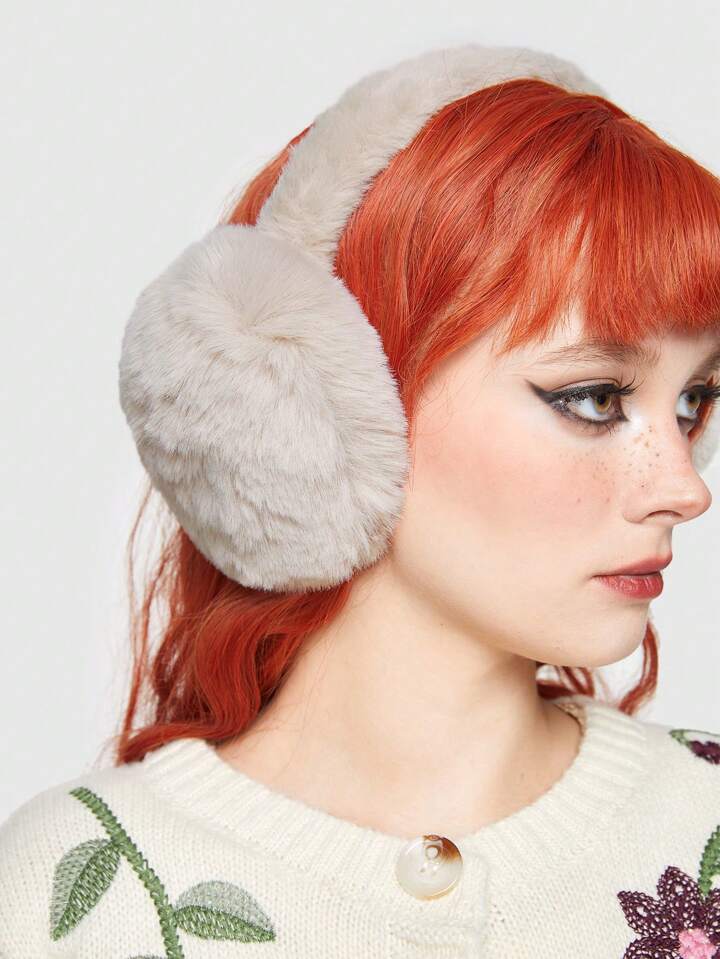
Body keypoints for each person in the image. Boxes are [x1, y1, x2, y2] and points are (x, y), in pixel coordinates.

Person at [2, 43, 720, 958]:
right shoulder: (71, 894)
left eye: (695, 402)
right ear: (322, 410)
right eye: (594, 397)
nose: (686, 486)